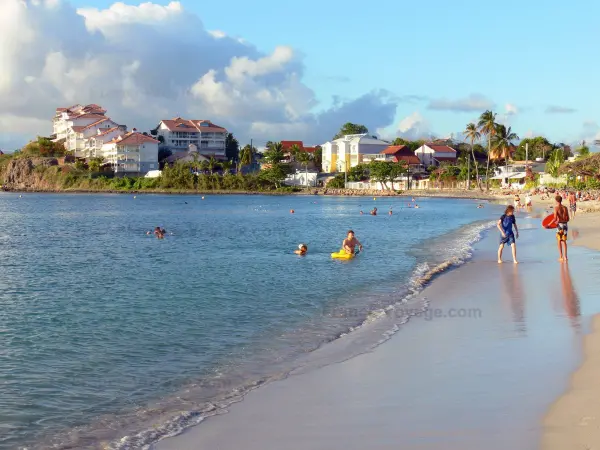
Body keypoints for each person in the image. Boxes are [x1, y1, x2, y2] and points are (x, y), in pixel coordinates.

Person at [553, 195, 570, 262]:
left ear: (556, 201)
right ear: (561, 200)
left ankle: (561, 257)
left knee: (559, 241)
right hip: (565, 225)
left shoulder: (556, 208)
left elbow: (554, 218)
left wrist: (549, 224)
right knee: (564, 241)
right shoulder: (565, 208)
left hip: (559, 225)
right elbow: (568, 218)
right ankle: (565, 257)